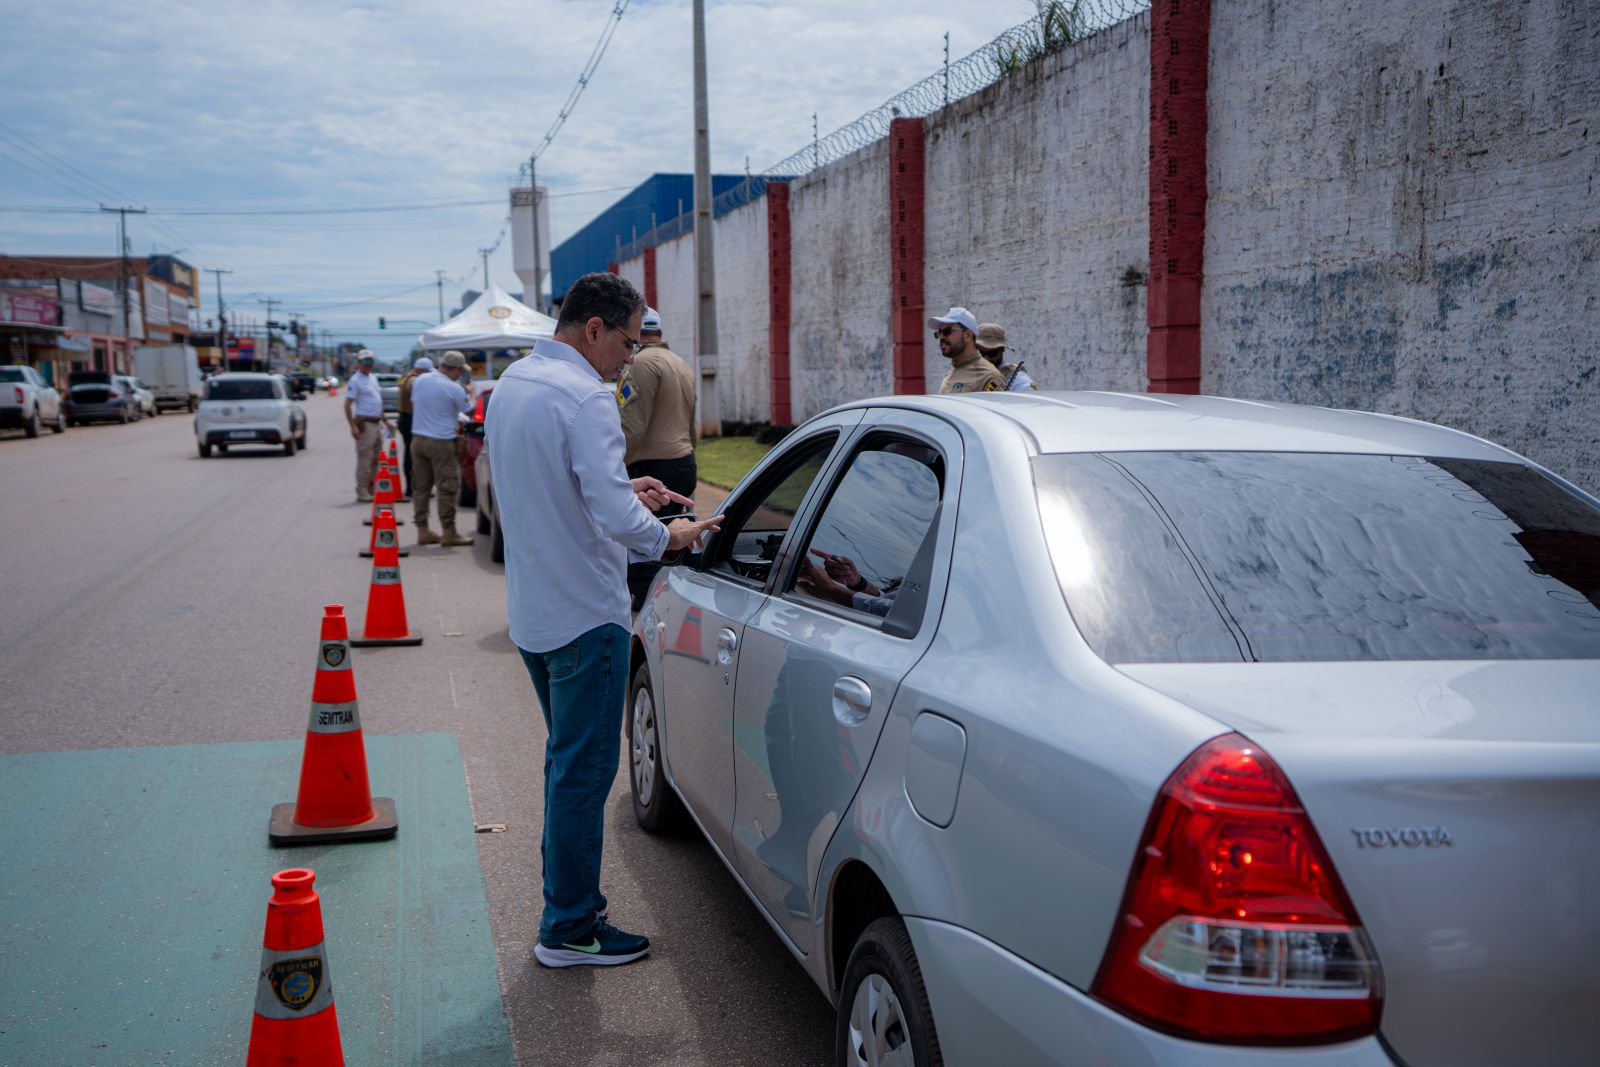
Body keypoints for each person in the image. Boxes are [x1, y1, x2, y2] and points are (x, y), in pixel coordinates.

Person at [484, 271, 722, 969]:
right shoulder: (585, 396)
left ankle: (572, 908)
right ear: (593, 329)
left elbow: (558, 488)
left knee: (569, 768)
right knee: (583, 776)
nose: (630, 358)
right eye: (627, 342)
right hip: (587, 616)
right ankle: (568, 927)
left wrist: (624, 489)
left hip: (536, 612)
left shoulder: (515, 385)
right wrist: (671, 535)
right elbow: (615, 518)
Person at [617, 308, 698, 610]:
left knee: (643, 546)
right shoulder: (680, 363)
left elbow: (631, 428)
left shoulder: (639, 364)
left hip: (652, 467)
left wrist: (615, 469)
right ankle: (674, 602)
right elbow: (691, 423)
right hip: (684, 460)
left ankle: (648, 610)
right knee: (673, 542)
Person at [410, 350, 475, 546]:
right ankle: (449, 532)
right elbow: (468, 411)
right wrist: (471, 394)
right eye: (460, 371)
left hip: (418, 439)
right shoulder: (454, 388)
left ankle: (422, 530)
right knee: (447, 487)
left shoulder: (420, 380)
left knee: (421, 488)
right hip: (441, 442)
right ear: (456, 369)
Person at [929, 307, 1006, 394]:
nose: (941, 337)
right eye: (939, 332)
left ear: (968, 335)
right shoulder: (949, 375)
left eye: (947, 331)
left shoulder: (988, 376)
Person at [343, 351, 385, 502]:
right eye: (365, 362)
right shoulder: (355, 380)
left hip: (376, 422)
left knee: (376, 458)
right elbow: (347, 405)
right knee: (365, 459)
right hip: (365, 423)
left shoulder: (373, 378)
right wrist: (353, 426)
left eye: (370, 361)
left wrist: (385, 420)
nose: (368, 365)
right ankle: (362, 490)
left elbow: (376, 401)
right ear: (359, 363)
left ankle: (370, 487)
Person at [396, 355, 434, 497]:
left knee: (413, 454)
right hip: (409, 419)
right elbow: (414, 387)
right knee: (412, 454)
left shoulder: (409, 377)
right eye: (428, 372)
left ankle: (417, 487)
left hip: (408, 418)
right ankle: (412, 488)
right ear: (421, 370)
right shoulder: (412, 380)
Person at [974, 323, 1036, 391]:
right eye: (981, 353)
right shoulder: (969, 373)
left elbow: (1029, 394)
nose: (986, 358)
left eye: (992, 353)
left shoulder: (1016, 379)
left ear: (1002, 350)